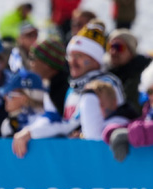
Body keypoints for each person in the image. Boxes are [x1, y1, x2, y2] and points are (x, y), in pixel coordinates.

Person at [12, 23, 125, 158]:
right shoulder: (73, 87)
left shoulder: (106, 83)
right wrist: (29, 130)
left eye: (80, 56)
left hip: (105, 157)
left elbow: (71, 124)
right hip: (82, 157)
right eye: (71, 56)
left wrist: (31, 132)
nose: (73, 61)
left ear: (95, 59)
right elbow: (53, 117)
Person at [106, 29, 150, 109]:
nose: (113, 52)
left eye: (118, 47)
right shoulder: (106, 73)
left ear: (131, 51)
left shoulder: (141, 77)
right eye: (110, 46)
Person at [0, 69, 45, 137]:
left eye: (10, 95)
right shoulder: (10, 124)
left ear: (24, 98)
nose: (5, 98)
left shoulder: (47, 122)